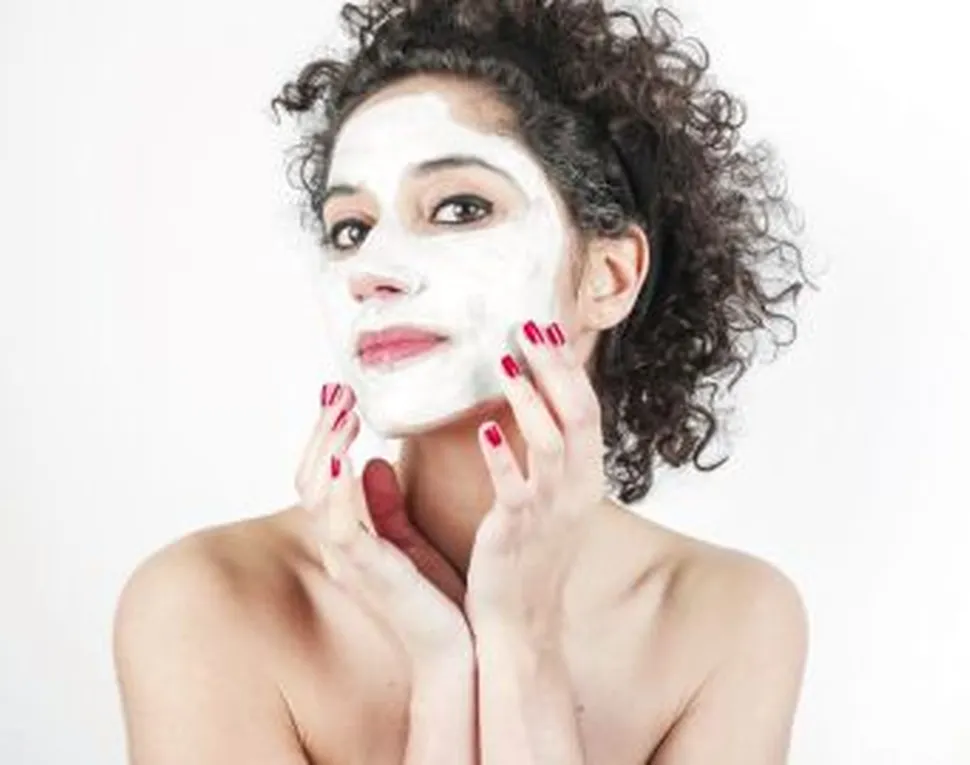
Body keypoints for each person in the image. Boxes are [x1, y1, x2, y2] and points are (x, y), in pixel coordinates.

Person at [113, 1, 814, 762]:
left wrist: (520, 641)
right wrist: (443, 670)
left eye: (458, 208)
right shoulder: (205, 603)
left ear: (609, 276)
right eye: (351, 228)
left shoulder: (728, 618)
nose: (371, 272)